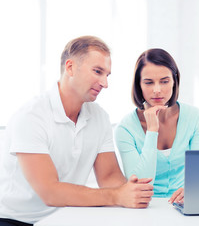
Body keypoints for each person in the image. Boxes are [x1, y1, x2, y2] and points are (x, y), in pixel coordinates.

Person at [0, 36, 153, 226]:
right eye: (98, 72)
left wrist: (132, 192)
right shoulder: (31, 117)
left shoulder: (99, 117)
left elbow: (109, 177)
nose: (105, 83)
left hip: (67, 216)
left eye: (107, 75)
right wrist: (116, 196)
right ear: (70, 67)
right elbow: (50, 192)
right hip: (17, 221)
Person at [115, 48, 199, 203]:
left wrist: (193, 190)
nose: (157, 90)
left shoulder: (194, 117)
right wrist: (152, 132)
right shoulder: (125, 128)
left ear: (174, 81)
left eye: (164, 81)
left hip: (184, 203)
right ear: (139, 85)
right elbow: (140, 183)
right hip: (145, 206)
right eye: (149, 82)